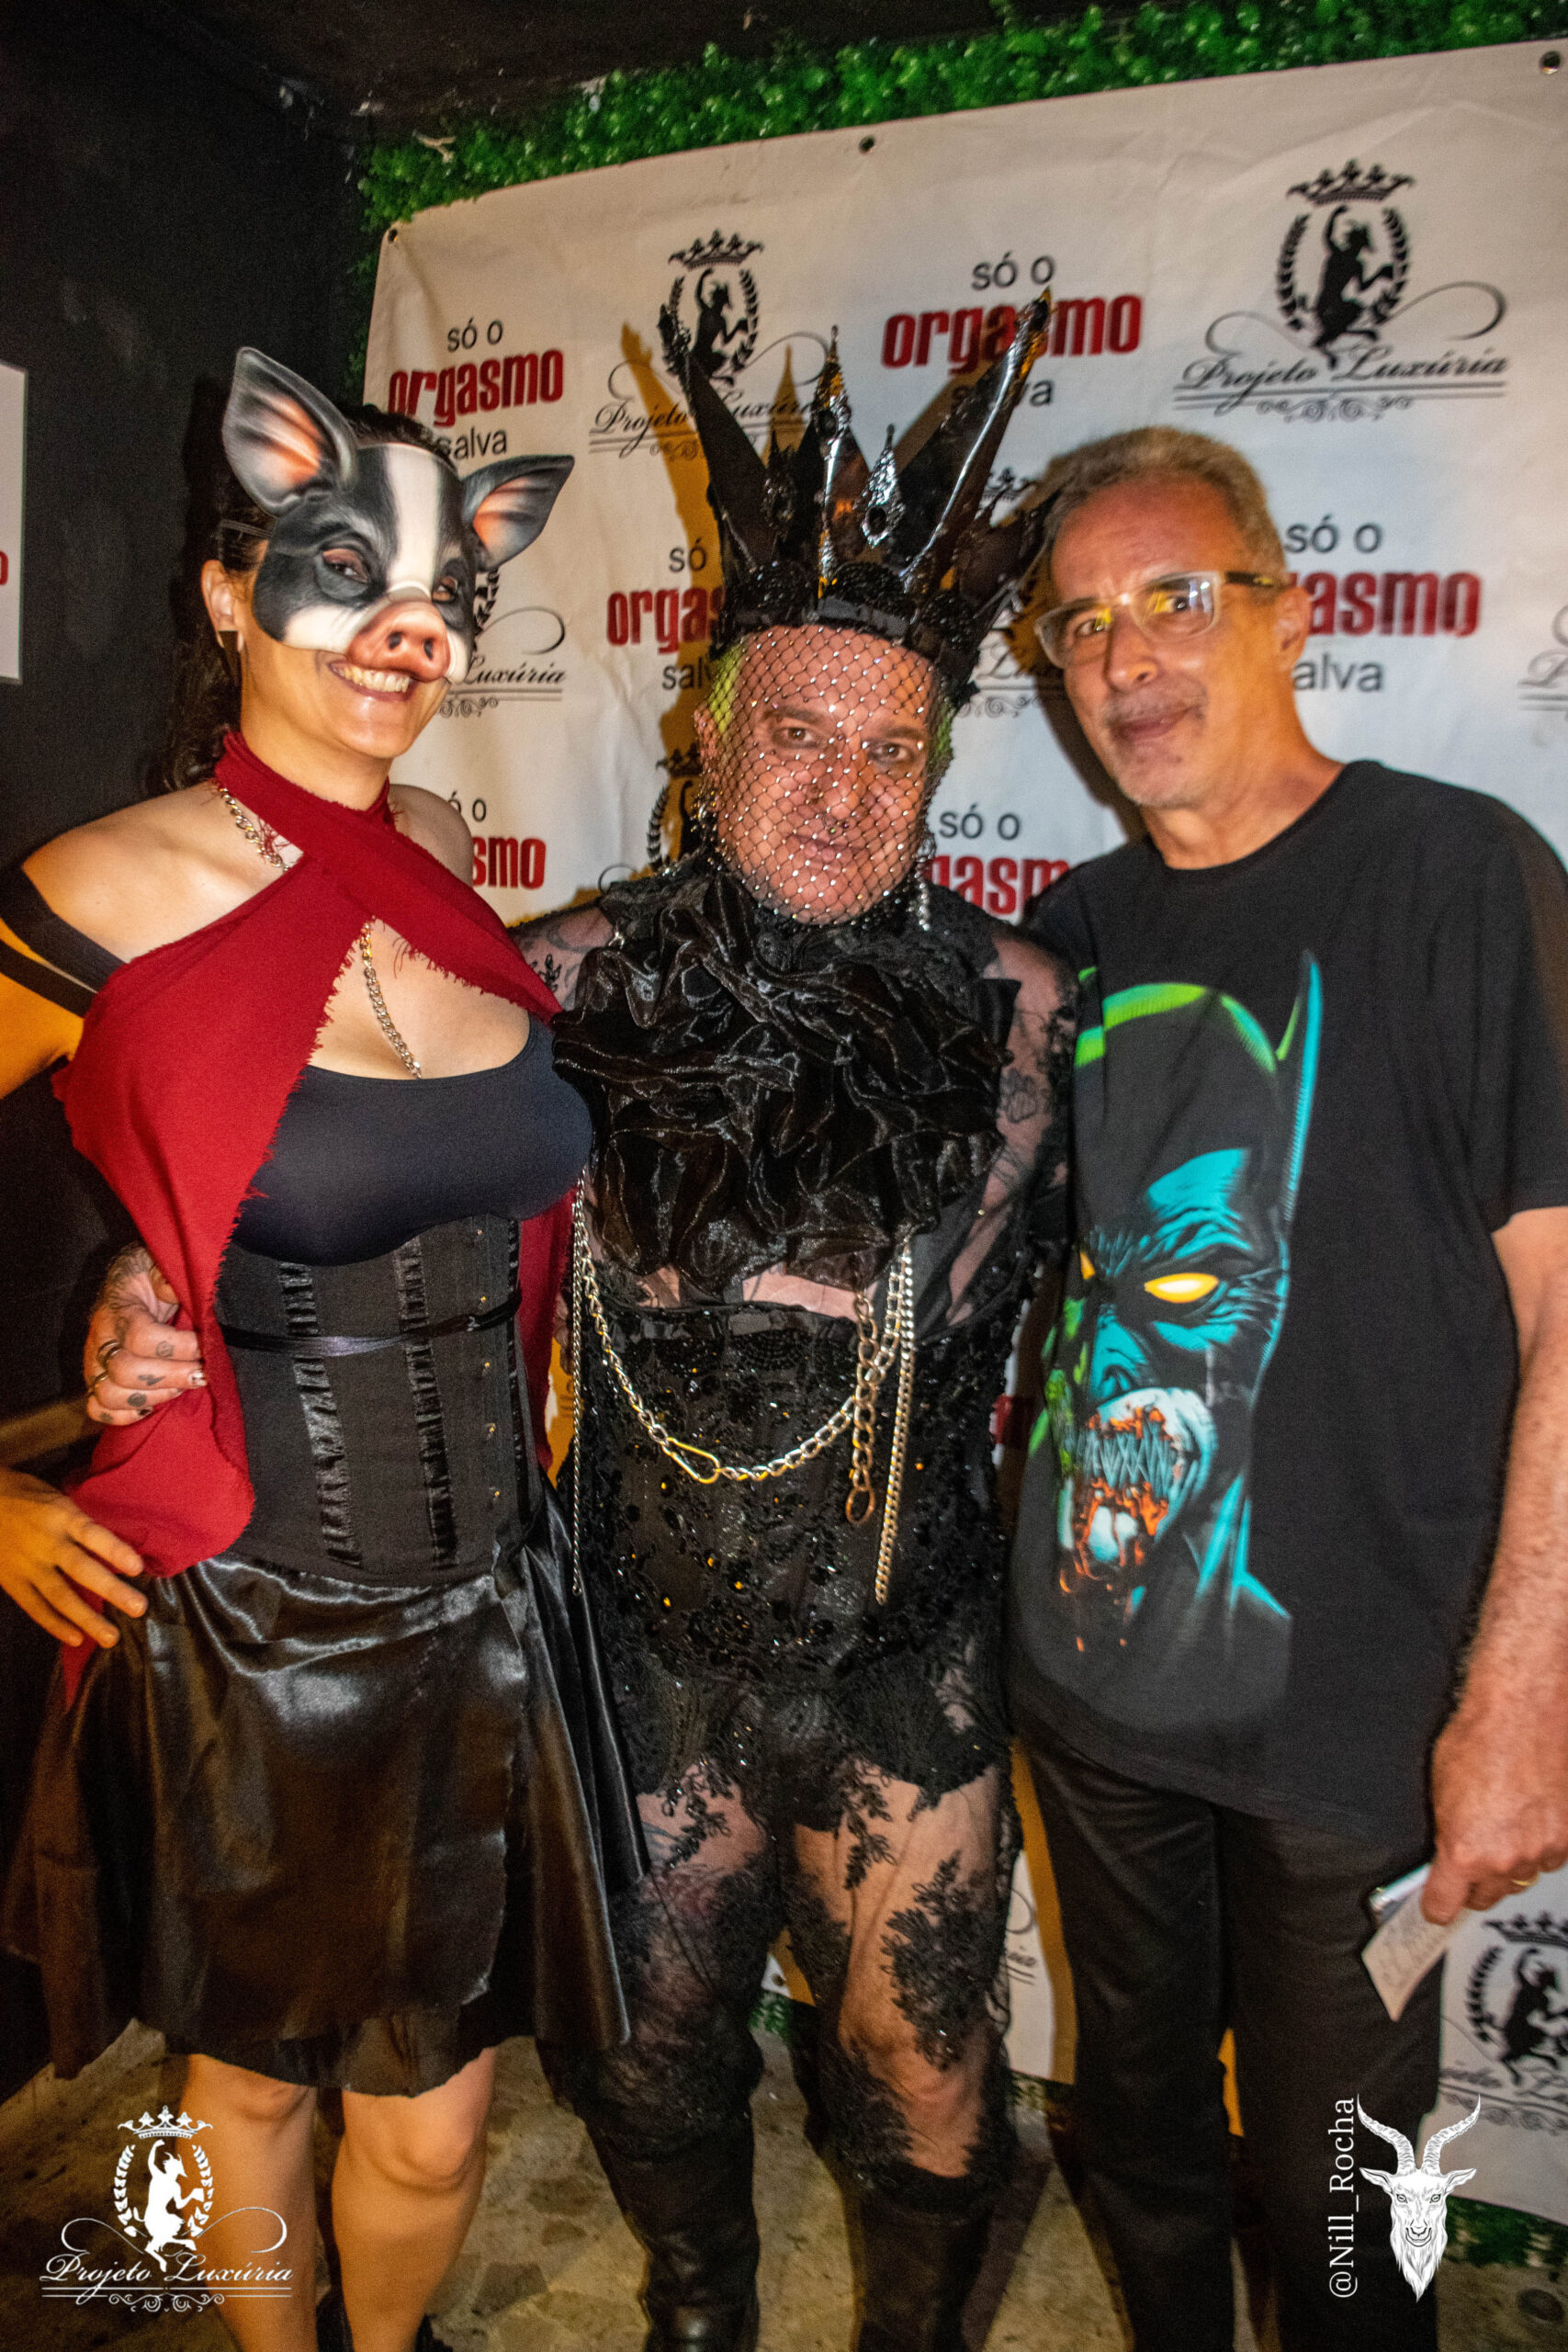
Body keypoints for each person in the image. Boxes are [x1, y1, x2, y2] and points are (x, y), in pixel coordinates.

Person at [0, 349, 638, 2352]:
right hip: (250, 1623)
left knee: (436, 2132)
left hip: (490, 1606)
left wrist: (154, 1250)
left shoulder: (434, 845)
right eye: (346, 568)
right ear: (226, 590)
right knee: (258, 2086)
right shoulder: (96, 893)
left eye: (445, 585)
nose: (404, 627)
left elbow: (352, 1154)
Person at [510, 301, 1075, 2352]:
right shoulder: (564, 980)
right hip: (647, 1637)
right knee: (650, 2041)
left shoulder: (1025, 1013)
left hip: (905, 1636)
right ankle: (697, 2312)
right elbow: (335, 1168)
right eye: (798, 735)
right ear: (709, 734)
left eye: (888, 748)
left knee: (921, 2060)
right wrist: (164, 1285)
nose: (841, 788)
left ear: (934, 772)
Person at [1010, 424, 1568, 2351]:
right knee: (1142, 2139)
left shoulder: (1457, 874)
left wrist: (1523, 1689)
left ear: (1290, 610)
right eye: (1082, 622)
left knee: (1349, 2219)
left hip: (1359, 1719)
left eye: (1175, 596)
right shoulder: (1072, 934)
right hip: (1090, 1685)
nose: (1126, 656)